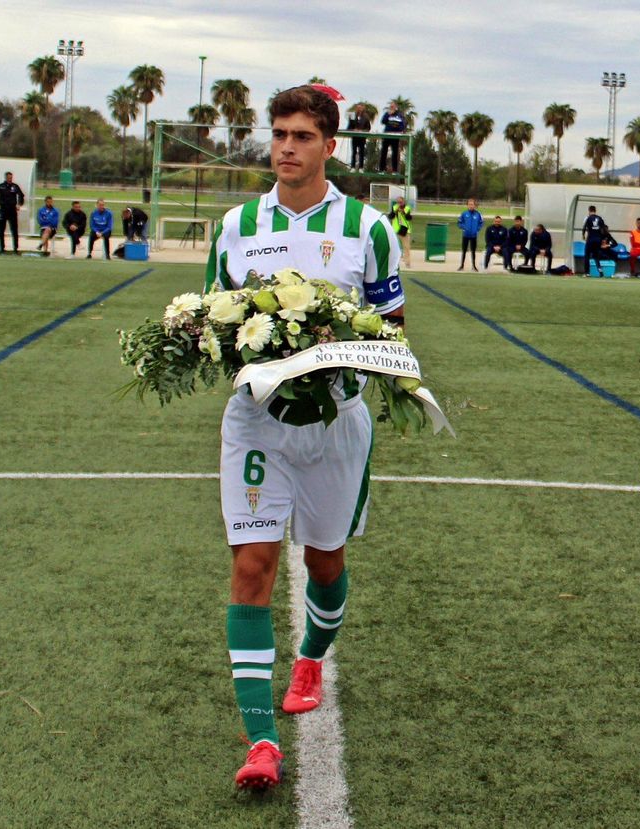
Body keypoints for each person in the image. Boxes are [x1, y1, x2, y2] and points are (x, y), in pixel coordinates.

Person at [204, 83, 405, 792]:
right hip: (257, 422)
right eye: (279, 134)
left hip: (336, 424)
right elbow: (214, 324)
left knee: (325, 561)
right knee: (253, 565)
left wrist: (337, 351)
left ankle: (313, 655)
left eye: (301, 135)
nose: (286, 147)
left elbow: (392, 329)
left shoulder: (368, 229)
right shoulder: (234, 226)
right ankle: (260, 740)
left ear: (329, 145)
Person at [0, 171, 26, 254]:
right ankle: (2, 248)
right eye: (9, 178)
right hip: (3, 210)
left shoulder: (15, 186)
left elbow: (21, 195)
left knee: (14, 230)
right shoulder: (0, 186)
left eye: (11, 178)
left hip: (12, 210)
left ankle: (15, 249)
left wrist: (19, 204)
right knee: (1, 230)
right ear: (6, 178)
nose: (10, 179)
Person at [379, 100, 407, 173]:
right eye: (390, 106)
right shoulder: (387, 114)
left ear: (396, 107)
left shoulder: (399, 115)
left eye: (393, 106)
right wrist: (388, 114)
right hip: (387, 136)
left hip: (395, 136)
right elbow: (383, 121)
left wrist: (398, 129)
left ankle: (394, 170)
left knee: (395, 153)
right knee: (383, 152)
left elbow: (402, 125)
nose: (391, 107)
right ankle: (382, 169)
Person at [581, 204, 608, 276]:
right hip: (598, 239)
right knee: (596, 256)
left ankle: (587, 273)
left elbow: (584, 228)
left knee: (587, 255)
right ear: (595, 211)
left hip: (590, 239)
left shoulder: (587, 218)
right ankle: (600, 271)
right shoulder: (600, 218)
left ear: (589, 211)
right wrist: (604, 239)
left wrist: (583, 235)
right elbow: (604, 229)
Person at [457, 198, 483, 271]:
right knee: (464, 251)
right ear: (467, 205)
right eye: (469, 204)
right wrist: (463, 228)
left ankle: (474, 266)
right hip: (465, 235)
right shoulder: (464, 214)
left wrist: (477, 229)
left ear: (475, 205)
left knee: (473, 251)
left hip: (474, 236)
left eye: (472, 204)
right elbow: (459, 222)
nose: (471, 206)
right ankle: (461, 266)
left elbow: (481, 223)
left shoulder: (478, 214)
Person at [388, 195, 413, 267]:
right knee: (392, 247)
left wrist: (403, 212)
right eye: (398, 202)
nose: (399, 204)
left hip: (405, 230)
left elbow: (409, 218)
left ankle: (407, 263)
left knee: (406, 247)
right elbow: (390, 216)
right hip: (395, 230)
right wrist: (395, 212)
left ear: (403, 202)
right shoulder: (394, 207)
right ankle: (392, 263)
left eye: (400, 202)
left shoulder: (407, 208)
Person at [345, 104, 372, 169]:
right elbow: (349, 127)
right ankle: (353, 167)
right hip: (355, 137)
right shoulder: (352, 116)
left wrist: (362, 131)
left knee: (361, 152)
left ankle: (361, 167)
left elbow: (368, 128)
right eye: (358, 108)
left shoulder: (366, 117)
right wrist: (353, 129)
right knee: (354, 152)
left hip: (362, 137)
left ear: (363, 108)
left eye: (360, 108)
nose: (359, 109)